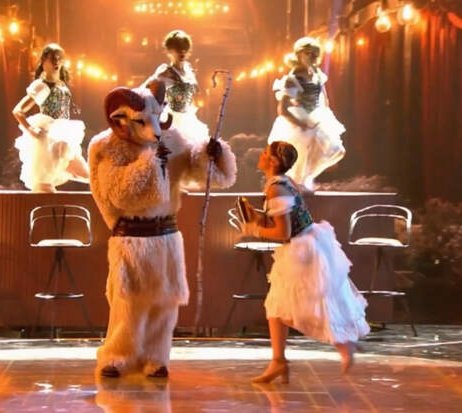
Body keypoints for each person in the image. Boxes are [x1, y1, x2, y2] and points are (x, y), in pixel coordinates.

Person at [89, 81, 236, 378]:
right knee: (127, 301)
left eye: (156, 118)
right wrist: (151, 161)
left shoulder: (172, 138)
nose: (154, 129)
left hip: (166, 234)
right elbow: (119, 193)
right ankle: (118, 355)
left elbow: (197, 170)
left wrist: (211, 153)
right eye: (143, 121)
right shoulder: (106, 146)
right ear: (122, 119)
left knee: (165, 301)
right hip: (131, 235)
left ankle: (155, 358)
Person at [240, 141, 369, 383]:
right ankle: (279, 361)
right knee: (277, 307)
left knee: (298, 309)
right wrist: (258, 217)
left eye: (265, 153)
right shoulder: (283, 182)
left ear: (273, 161)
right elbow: (283, 219)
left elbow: (283, 232)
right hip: (307, 244)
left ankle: (343, 343)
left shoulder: (277, 188)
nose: (261, 155)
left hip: (301, 252)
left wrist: (254, 229)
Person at [268, 37, 346, 191]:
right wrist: (302, 123)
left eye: (316, 54)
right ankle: (300, 184)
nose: (313, 57)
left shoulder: (317, 74)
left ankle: (306, 179)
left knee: (337, 150)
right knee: (301, 159)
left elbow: (324, 99)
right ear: (299, 54)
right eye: (309, 53)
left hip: (317, 117)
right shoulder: (293, 78)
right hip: (299, 119)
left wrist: (324, 117)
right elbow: (283, 109)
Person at [12, 43, 89, 193]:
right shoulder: (41, 86)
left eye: (59, 58)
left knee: (86, 175)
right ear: (43, 61)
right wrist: (31, 129)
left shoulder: (61, 85)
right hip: (48, 140)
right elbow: (18, 111)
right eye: (52, 58)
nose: (56, 61)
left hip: (64, 136)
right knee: (45, 187)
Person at [144, 30, 209, 147]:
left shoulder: (189, 71)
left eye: (184, 49)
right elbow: (145, 90)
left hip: (189, 120)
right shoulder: (165, 73)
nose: (182, 52)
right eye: (178, 49)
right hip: (172, 122)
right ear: (169, 51)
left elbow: (195, 93)